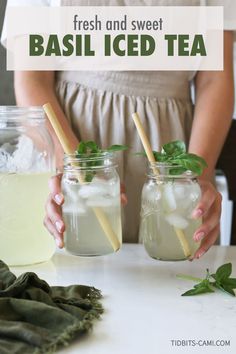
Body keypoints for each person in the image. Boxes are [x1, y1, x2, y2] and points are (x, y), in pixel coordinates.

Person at [2, 0, 235, 259]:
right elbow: (32, 79)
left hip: (170, 162)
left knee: (172, 281)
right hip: (65, 148)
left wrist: (193, 180)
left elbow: (215, 79)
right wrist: (75, 173)